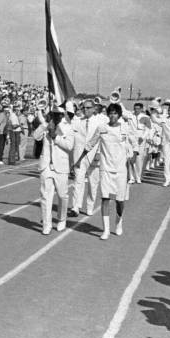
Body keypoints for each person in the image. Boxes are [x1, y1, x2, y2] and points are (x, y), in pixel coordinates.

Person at [75, 103, 138, 240]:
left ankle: (118, 222)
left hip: (121, 170)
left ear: (119, 115)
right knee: (105, 198)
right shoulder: (102, 128)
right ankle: (106, 230)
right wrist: (79, 160)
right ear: (107, 115)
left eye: (115, 113)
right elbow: (90, 144)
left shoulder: (125, 128)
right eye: (110, 113)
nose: (112, 116)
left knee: (120, 201)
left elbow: (135, 142)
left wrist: (134, 155)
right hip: (105, 169)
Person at [33, 105, 74, 235]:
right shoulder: (46, 125)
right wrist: (45, 125)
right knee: (45, 195)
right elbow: (36, 136)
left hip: (61, 166)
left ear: (63, 116)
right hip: (46, 166)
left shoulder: (68, 128)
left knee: (62, 195)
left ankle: (62, 219)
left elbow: (69, 146)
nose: (56, 116)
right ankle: (47, 224)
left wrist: (55, 137)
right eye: (54, 114)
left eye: (59, 114)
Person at [69, 99, 104, 217]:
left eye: (88, 108)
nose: (85, 110)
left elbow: (101, 138)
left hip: (94, 156)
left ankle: (90, 206)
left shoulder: (100, 121)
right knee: (78, 181)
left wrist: (98, 152)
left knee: (93, 184)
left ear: (94, 109)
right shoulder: (78, 121)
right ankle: (75, 207)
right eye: (84, 108)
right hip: (79, 156)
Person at [128, 102, 150, 183]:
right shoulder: (130, 115)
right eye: (135, 108)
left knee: (139, 159)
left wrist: (143, 137)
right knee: (130, 157)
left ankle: (138, 177)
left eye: (138, 108)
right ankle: (131, 177)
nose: (136, 110)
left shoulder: (145, 117)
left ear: (141, 109)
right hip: (131, 139)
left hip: (141, 140)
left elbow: (148, 129)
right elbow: (122, 111)